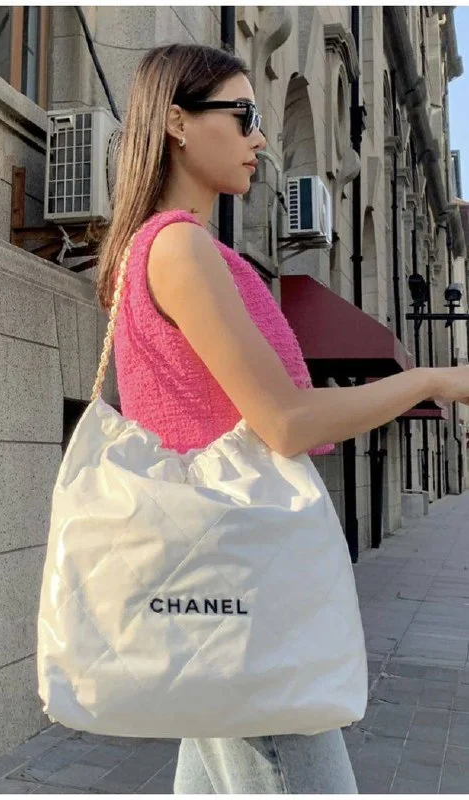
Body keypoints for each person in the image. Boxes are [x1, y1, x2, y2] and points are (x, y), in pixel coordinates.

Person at [95, 43, 469, 794]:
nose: (260, 138)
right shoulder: (180, 249)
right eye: (244, 115)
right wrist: (432, 379)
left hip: (210, 575)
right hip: (236, 583)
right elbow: (286, 421)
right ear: (177, 122)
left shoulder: (162, 247)